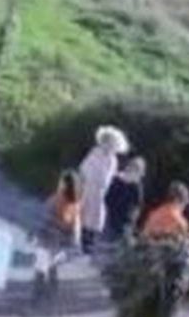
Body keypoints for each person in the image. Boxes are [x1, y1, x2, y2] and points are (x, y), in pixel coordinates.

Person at [77, 126, 129, 255]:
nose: (110, 146)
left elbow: (111, 174)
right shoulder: (95, 152)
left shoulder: (113, 159)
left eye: (113, 143)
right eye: (108, 142)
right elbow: (84, 168)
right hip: (88, 189)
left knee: (96, 217)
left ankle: (89, 243)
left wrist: (120, 176)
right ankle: (82, 241)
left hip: (100, 192)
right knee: (85, 214)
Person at [33, 170, 83, 299]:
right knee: (48, 265)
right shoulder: (69, 202)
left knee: (44, 265)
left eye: (62, 182)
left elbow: (47, 218)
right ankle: (47, 292)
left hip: (52, 238)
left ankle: (41, 293)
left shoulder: (62, 202)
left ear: (66, 185)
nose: (59, 184)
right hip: (54, 239)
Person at [103, 156, 146, 243]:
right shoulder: (136, 185)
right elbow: (137, 205)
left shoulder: (117, 180)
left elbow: (107, 199)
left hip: (114, 218)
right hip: (122, 220)